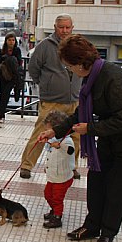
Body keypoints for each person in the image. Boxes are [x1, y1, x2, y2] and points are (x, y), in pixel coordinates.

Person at [38, 34, 122, 242]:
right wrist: (54, 131)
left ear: (82, 63)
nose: (70, 70)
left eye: (70, 66)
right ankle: (91, 226)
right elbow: (81, 114)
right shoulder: (91, 76)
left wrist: (91, 129)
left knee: (117, 190)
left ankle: (108, 233)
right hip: (109, 137)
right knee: (96, 184)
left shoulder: (114, 79)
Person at [20, 14, 81, 179]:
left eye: (68, 27)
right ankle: (26, 165)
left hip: (74, 99)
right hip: (51, 100)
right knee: (41, 132)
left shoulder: (77, 45)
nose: (64, 30)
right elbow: (33, 68)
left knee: (75, 135)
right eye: (61, 27)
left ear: (72, 28)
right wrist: (45, 85)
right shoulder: (45, 45)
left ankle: (72, 167)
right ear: (55, 27)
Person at [41, 110, 76, 229]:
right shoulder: (52, 140)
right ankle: (54, 210)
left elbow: (70, 151)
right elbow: (50, 154)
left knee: (57, 198)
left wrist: (58, 145)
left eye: (48, 130)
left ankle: (57, 216)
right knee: (47, 194)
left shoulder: (67, 141)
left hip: (62, 177)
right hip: (53, 175)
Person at [0, 32, 23, 123]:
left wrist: (8, 60)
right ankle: (1, 116)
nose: (11, 42)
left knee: (6, 95)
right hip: (3, 76)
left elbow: (19, 62)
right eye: (9, 40)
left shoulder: (17, 50)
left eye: (13, 40)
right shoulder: (2, 51)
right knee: (3, 95)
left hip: (12, 77)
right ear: (6, 41)